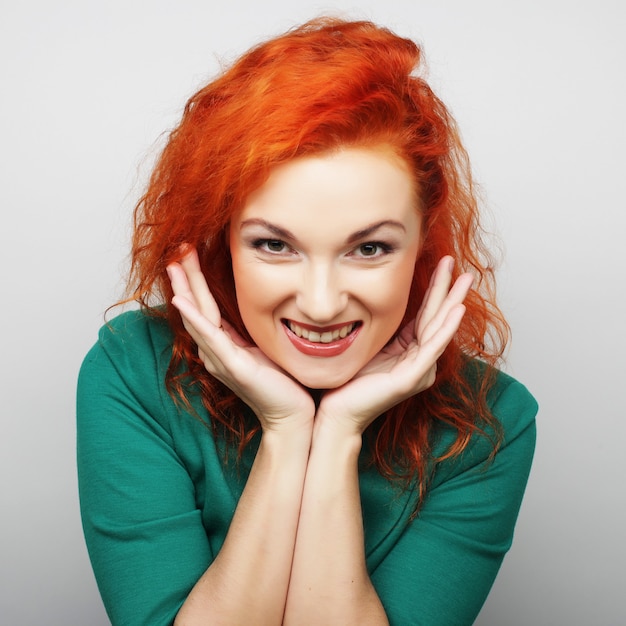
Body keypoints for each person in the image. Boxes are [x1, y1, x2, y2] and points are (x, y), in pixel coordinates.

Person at [77, 17, 537, 626]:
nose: (321, 306)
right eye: (274, 245)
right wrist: (286, 427)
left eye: (369, 249)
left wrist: (340, 431)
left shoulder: (490, 423)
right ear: (222, 242)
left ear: (423, 246)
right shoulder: (132, 370)